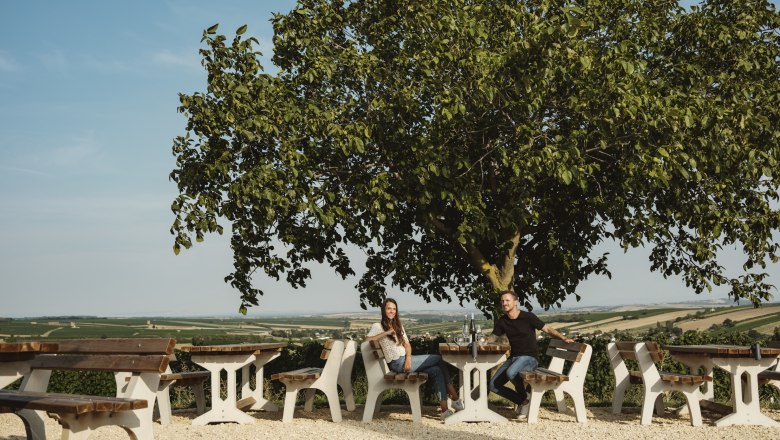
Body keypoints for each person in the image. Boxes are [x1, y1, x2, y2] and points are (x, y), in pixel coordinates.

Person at [365, 298, 464, 420]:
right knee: (438, 358)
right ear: (383, 310)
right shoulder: (378, 326)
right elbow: (367, 340)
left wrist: (408, 358)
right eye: (389, 308)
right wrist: (386, 333)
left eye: (394, 309)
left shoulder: (398, 325)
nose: (392, 311)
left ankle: (444, 410)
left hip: (405, 360)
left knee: (437, 370)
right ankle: (454, 397)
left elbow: (407, 344)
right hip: (396, 363)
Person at [487, 290, 574, 419]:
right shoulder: (503, 320)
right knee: (493, 385)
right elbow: (493, 337)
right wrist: (481, 341)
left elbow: (547, 329)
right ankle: (524, 400)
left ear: (515, 302)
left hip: (530, 358)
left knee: (511, 373)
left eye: (507, 300)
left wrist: (563, 338)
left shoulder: (528, 317)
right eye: (502, 301)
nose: (504, 303)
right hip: (514, 358)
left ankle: (524, 399)